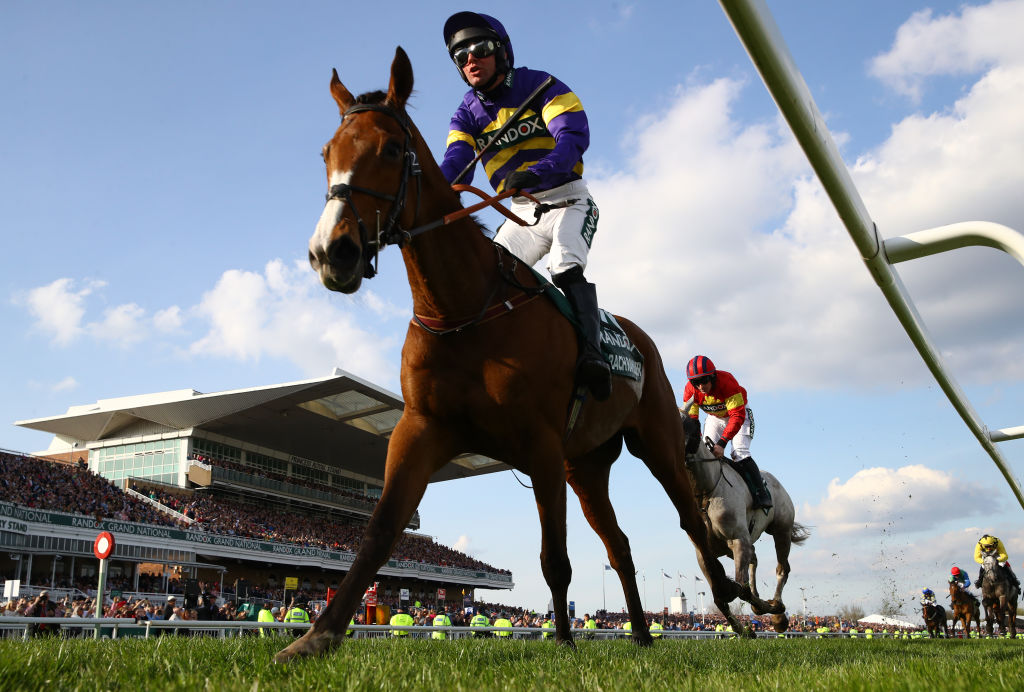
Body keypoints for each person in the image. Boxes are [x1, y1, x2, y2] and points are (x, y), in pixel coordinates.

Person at [440, 11, 611, 400]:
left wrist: (541, 170)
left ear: (502, 53)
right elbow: (455, 160)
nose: (470, 60)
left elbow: (571, 136)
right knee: (488, 276)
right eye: (460, 56)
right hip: (519, 211)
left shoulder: (542, 85)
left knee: (565, 268)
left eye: (480, 49)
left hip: (568, 201)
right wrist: (433, 188)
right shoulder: (465, 112)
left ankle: (594, 356)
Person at [680, 355, 771, 509]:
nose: (700, 386)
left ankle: (761, 492)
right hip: (716, 418)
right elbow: (693, 420)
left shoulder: (726, 382)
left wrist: (722, 443)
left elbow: (737, 416)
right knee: (704, 452)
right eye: (695, 382)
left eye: (704, 380)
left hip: (738, 415)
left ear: (713, 376)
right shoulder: (691, 390)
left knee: (739, 453)